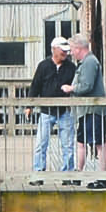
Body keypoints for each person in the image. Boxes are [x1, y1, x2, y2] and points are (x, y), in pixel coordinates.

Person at [30, 36, 73, 172]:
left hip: (64, 110)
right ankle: (38, 171)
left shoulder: (71, 67)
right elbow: (35, 85)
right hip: (46, 111)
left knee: (68, 144)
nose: (65, 54)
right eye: (62, 51)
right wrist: (29, 106)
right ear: (54, 49)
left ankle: (68, 174)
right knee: (41, 144)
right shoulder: (43, 66)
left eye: (66, 51)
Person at [66, 34, 106, 172]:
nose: (71, 53)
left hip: (93, 109)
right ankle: (79, 172)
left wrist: (71, 88)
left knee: (98, 143)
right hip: (86, 110)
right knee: (82, 142)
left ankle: (102, 177)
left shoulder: (89, 62)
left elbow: (87, 85)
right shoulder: (86, 62)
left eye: (72, 49)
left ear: (78, 48)